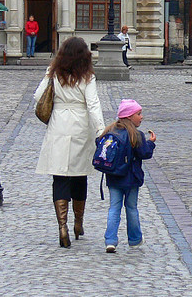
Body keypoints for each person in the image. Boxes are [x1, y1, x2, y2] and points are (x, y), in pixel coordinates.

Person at [34, 37, 105, 248]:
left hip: (58, 125)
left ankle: (62, 226)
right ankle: (78, 223)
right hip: (80, 126)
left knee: (60, 175)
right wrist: (101, 130)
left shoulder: (54, 72)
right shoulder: (87, 76)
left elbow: (38, 95)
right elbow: (93, 105)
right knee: (79, 174)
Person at [102, 99, 156, 253]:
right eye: (138, 114)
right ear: (129, 117)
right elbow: (144, 153)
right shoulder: (136, 135)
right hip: (131, 178)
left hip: (113, 177)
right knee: (131, 208)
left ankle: (110, 240)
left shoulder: (110, 131)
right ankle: (134, 239)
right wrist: (151, 143)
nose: (141, 117)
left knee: (114, 208)